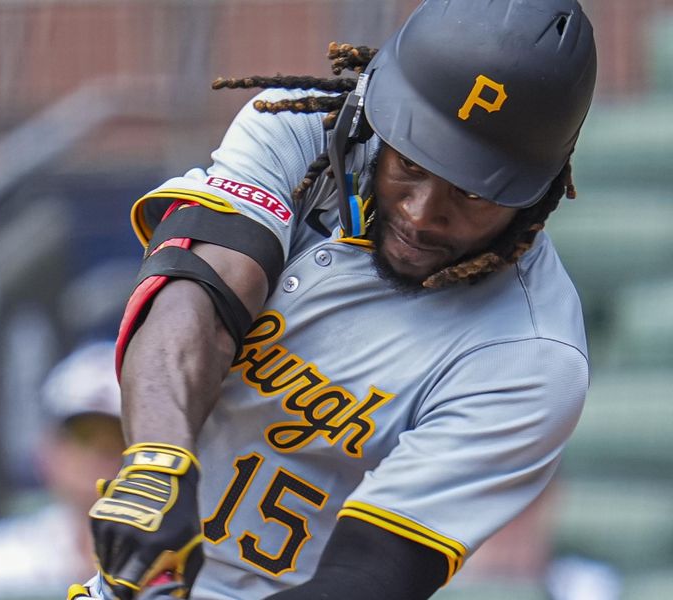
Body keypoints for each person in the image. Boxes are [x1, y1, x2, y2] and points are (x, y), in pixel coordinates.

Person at [70, 1, 598, 599]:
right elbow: (201, 291)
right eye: (411, 162)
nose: (422, 213)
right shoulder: (298, 131)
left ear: (537, 193)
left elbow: (368, 577)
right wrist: (158, 461)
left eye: (472, 193)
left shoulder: (532, 356)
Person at [0, 341, 124, 596]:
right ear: (48, 448)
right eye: (83, 434)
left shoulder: (186, 561)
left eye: (119, 435)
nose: (101, 451)